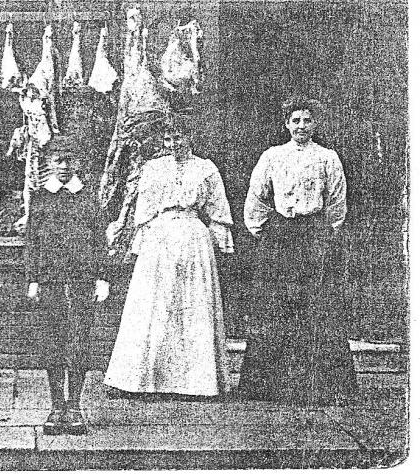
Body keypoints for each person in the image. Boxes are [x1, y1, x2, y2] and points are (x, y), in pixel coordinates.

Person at [104, 115, 233, 398]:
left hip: (193, 236)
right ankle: (140, 380)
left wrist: (220, 242)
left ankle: (196, 383)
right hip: (160, 237)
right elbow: (145, 210)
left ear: (190, 138)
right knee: (153, 303)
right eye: (168, 139)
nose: (173, 144)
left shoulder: (206, 169)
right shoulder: (153, 168)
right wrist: (144, 241)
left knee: (192, 304)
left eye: (178, 138)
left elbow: (217, 208)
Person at [239, 96, 356, 405]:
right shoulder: (272, 156)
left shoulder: (328, 158)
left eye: (307, 120)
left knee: (317, 305)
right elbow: (257, 195)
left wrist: (326, 232)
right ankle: (269, 387)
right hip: (281, 236)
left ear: (315, 123)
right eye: (295, 120)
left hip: (315, 235)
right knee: (276, 304)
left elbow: (337, 201)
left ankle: (321, 388)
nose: (301, 126)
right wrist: (265, 230)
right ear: (286, 124)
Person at [23, 135, 111, 435]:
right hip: (50, 281)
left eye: (69, 160)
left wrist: (102, 277)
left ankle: (74, 405)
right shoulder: (40, 198)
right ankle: (56, 405)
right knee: (53, 343)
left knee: (78, 342)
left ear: (78, 163)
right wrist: (33, 278)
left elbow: (100, 239)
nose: (63, 166)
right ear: (48, 162)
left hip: (81, 281)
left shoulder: (87, 198)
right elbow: (32, 242)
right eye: (57, 160)